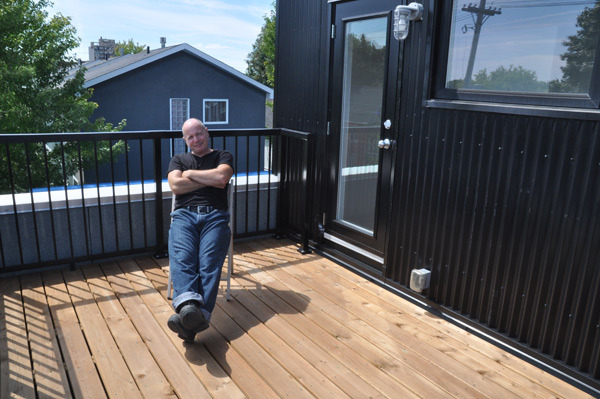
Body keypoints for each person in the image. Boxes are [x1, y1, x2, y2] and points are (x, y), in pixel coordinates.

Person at [166, 118, 234, 343]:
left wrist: (189, 175)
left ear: (207, 131)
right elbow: (175, 186)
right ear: (184, 140)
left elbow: (222, 176)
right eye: (190, 137)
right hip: (184, 215)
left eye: (199, 134)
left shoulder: (222, 156)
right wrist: (210, 179)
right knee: (183, 258)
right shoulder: (179, 159)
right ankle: (193, 312)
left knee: (208, 263)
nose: (196, 140)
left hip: (215, 216)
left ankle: (188, 317)